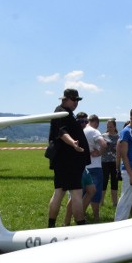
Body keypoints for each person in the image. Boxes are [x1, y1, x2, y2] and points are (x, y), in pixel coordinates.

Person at [47, 89, 88, 227]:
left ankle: (51, 226)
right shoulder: (61, 112)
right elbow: (62, 132)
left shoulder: (66, 113)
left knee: (60, 191)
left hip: (67, 161)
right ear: (66, 99)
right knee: (76, 193)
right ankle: (81, 225)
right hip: (68, 161)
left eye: (77, 100)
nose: (76, 103)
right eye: (74, 99)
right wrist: (74, 143)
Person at [82, 113, 107, 222]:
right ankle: (96, 216)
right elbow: (103, 144)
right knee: (95, 194)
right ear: (95, 122)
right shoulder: (94, 131)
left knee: (82, 193)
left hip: (83, 166)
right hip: (95, 166)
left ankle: (79, 214)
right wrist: (100, 153)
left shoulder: (82, 131)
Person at [101, 119, 119, 208]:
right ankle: (101, 202)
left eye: (111, 126)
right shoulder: (103, 136)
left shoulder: (118, 137)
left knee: (114, 182)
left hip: (115, 162)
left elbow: (122, 149)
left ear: (115, 127)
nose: (109, 128)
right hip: (104, 162)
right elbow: (100, 147)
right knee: (103, 182)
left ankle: (115, 202)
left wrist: (117, 149)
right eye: (108, 126)